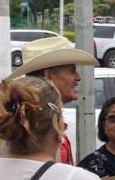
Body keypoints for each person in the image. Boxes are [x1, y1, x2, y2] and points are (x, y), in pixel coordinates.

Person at [9, 35, 99, 165]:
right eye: (72, 71)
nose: (78, 77)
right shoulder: (39, 129)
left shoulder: (26, 119)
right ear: (49, 75)